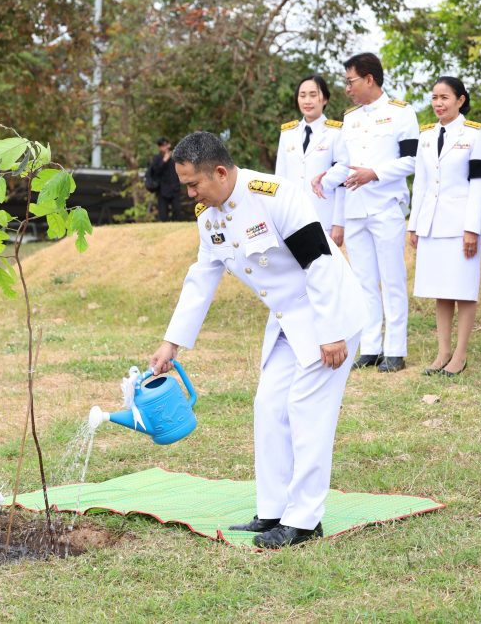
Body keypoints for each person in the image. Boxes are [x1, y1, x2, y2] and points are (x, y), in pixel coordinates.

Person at [149, 131, 364, 549]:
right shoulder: (209, 216)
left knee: (307, 410)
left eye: (193, 184)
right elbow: (201, 279)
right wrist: (171, 343)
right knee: (268, 406)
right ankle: (273, 511)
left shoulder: (276, 195)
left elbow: (319, 261)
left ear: (221, 172)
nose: (189, 193)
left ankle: (304, 521)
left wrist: (331, 332)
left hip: (327, 312)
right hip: (287, 320)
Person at [312, 53, 419, 372]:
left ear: (369, 79)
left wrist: (375, 173)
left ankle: (395, 350)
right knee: (363, 283)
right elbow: (346, 163)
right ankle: (371, 347)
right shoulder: (351, 118)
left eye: (351, 81)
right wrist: (326, 177)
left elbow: (412, 160)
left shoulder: (401, 112)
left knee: (392, 279)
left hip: (385, 206)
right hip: (356, 208)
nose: (347, 88)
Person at [407, 77, 481, 377]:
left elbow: (479, 183)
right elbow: (421, 183)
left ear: (460, 100)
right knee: (440, 289)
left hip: (460, 224)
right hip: (432, 223)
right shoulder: (426, 135)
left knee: (463, 289)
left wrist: (472, 228)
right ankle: (443, 352)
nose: (438, 103)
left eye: (445, 97)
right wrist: (414, 225)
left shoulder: (475, 134)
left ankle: (460, 354)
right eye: (435, 98)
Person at [275, 74, 347, 244]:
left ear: (325, 99)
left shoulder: (336, 133)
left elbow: (343, 179)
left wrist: (339, 222)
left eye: (313, 95)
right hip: (292, 218)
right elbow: (280, 179)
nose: (307, 101)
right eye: (302, 95)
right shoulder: (287, 133)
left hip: (324, 218)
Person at [146, 137, 182, 221]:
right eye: (163, 146)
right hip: (162, 189)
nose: (165, 147)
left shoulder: (175, 157)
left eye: (166, 145)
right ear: (159, 147)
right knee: (163, 214)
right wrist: (164, 160)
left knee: (177, 210)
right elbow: (155, 172)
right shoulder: (157, 158)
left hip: (175, 187)